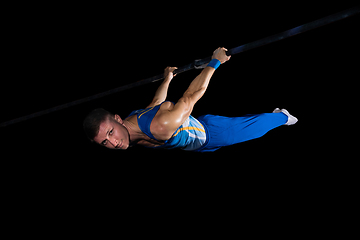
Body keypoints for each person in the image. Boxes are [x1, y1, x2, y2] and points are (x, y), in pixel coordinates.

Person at [83, 47, 298, 152]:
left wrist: (215, 62)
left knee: (253, 128)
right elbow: (153, 105)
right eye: (105, 142)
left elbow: (191, 96)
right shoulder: (132, 122)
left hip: (210, 134)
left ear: (117, 120)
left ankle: (282, 116)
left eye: (110, 133)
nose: (114, 143)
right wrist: (167, 80)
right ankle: (277, 116)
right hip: (193, 133)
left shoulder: (161, 126)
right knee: (246, 123)